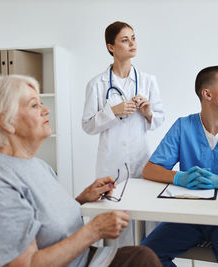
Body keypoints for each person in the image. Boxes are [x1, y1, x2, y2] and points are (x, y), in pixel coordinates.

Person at [0, 75, 162, 267]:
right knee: (144, 259)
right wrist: (94, 230)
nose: (45, 110)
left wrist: (83, 198)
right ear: (6, 121)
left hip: (78, 259)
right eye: (34, 105)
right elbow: (24, 264)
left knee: (144, 256)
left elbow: (41, 223)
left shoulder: (35, 164)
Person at [140, 66, 218, 267]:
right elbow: (150, 170)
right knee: (144, 257)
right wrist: (178, 177)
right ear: (207, 94)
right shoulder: (183, 126)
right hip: (189, 215)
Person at [82, 21, 165, 246]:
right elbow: (88, 125)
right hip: (112, 164)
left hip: (141, 160)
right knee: (115, 226)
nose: (132, 44)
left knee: (146, 222)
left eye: (134, 38)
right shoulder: (97, 84)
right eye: (125, 40)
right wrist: (112, 112)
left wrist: (148, 112)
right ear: (111, 47)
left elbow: (159, 119)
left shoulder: (148, 81)